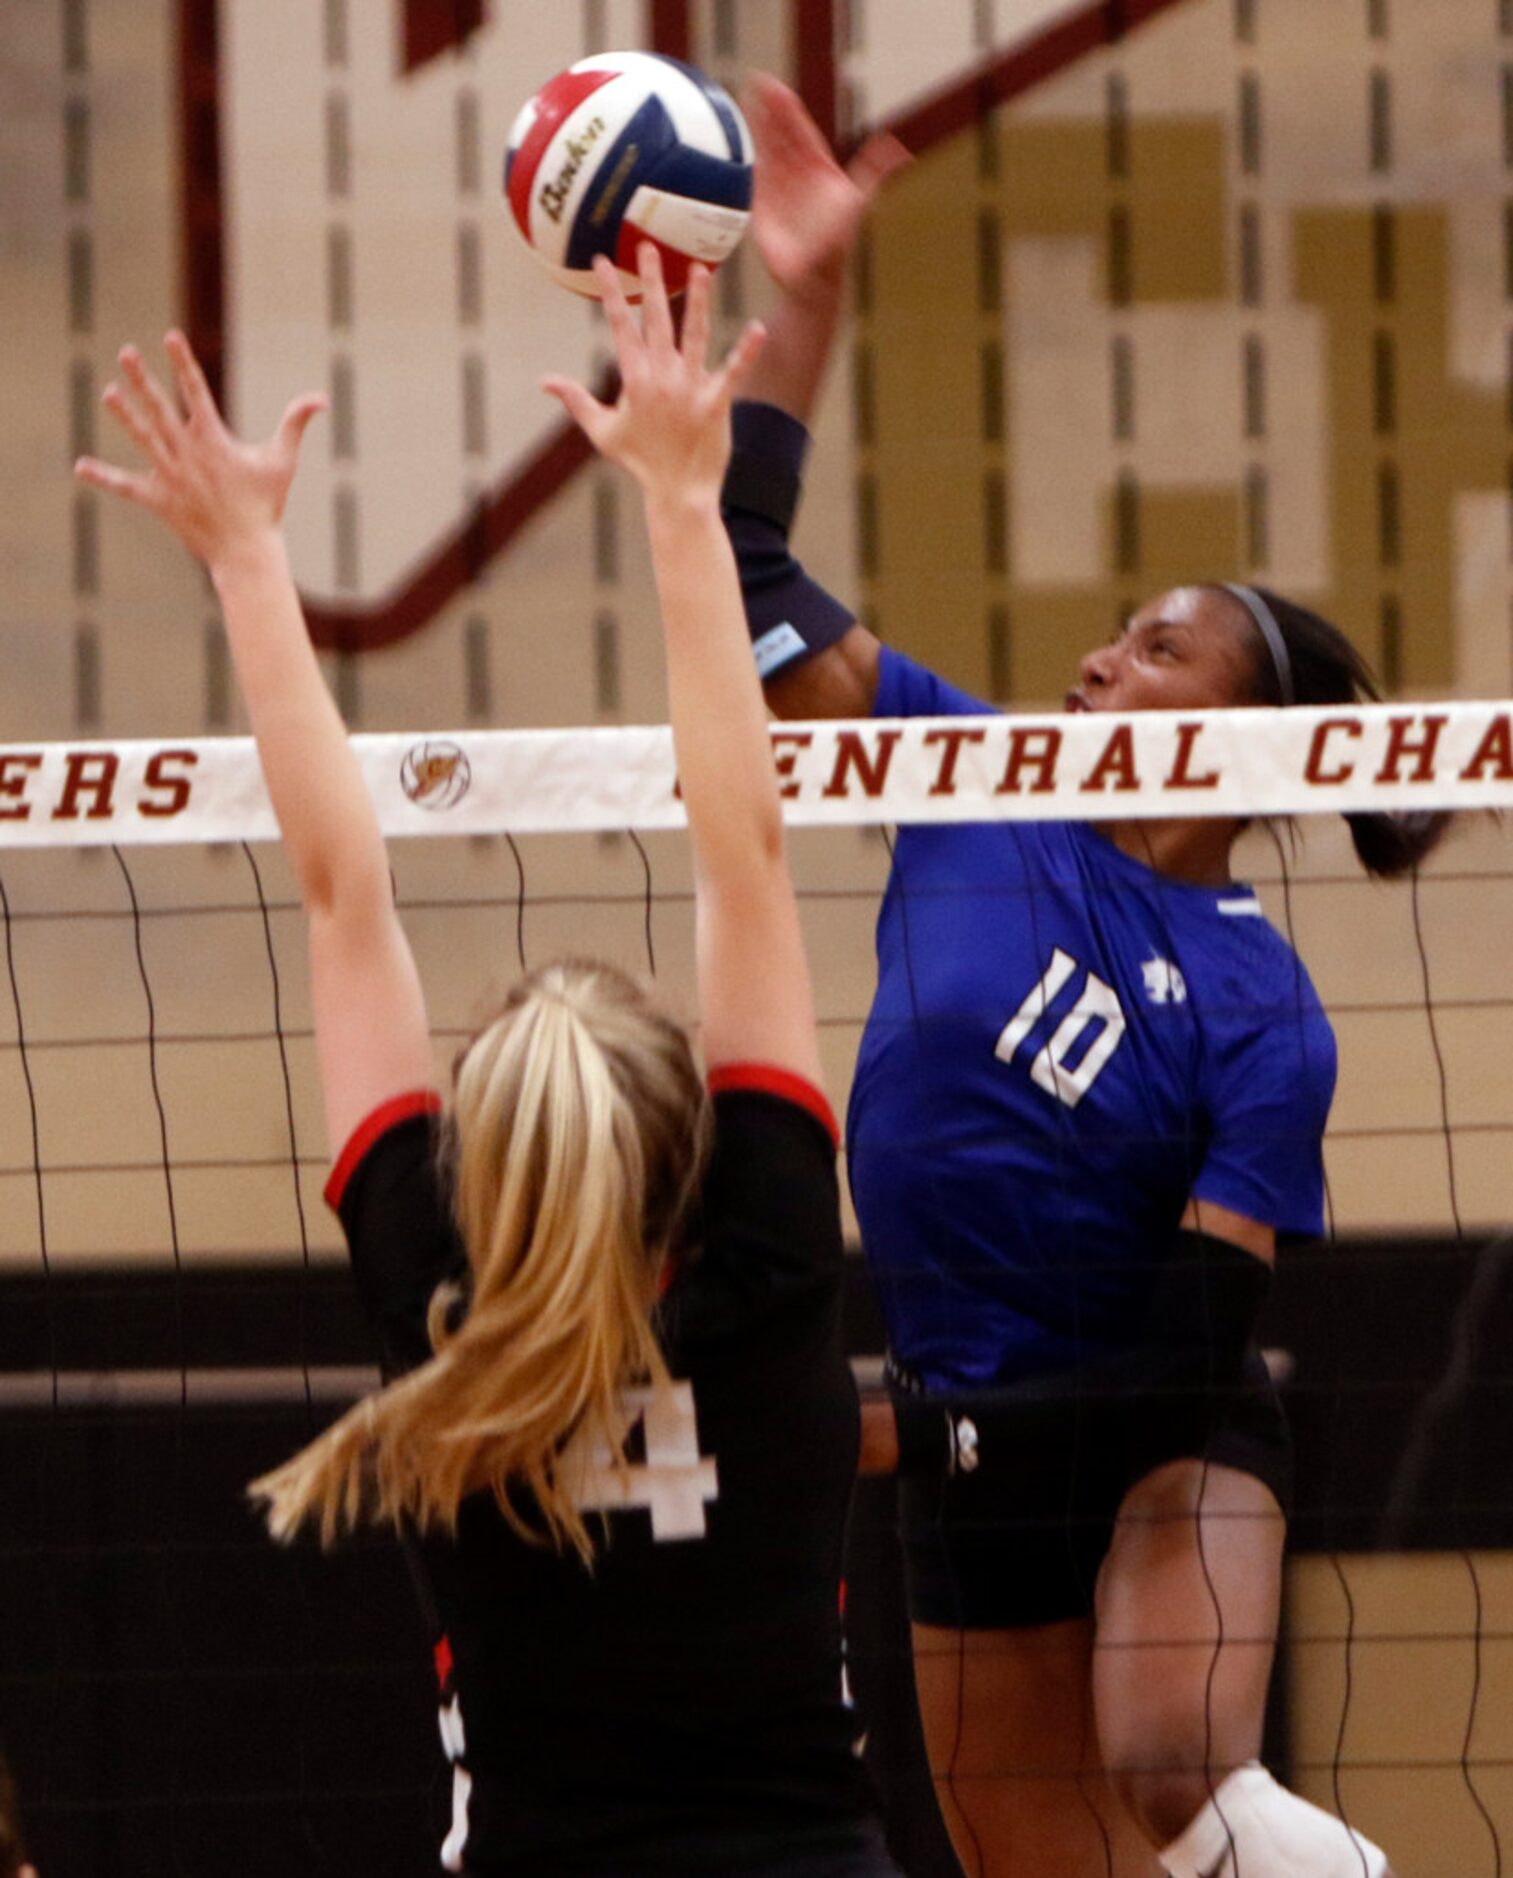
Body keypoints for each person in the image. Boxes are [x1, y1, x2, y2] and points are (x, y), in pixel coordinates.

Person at [75, 248, 903, 1877]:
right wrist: (684, 497)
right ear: (694, 1151)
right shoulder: (771, 1273)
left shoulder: (442, 1331)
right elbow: (742, 853)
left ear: (476, 1166)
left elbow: (338, 894)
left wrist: (246, 559)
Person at [721, 73, 1436, 1878]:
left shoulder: (1259, 999)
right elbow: (738, 584)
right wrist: (801, 304)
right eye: (1112, 635)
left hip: (1149, 1435)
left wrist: (916, 1436)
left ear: (1251, 734)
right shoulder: (967, 776)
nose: (1102, 661)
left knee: (1168, 1760)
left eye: (1161, 646)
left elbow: (1195, 1337)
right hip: (958, 1424)